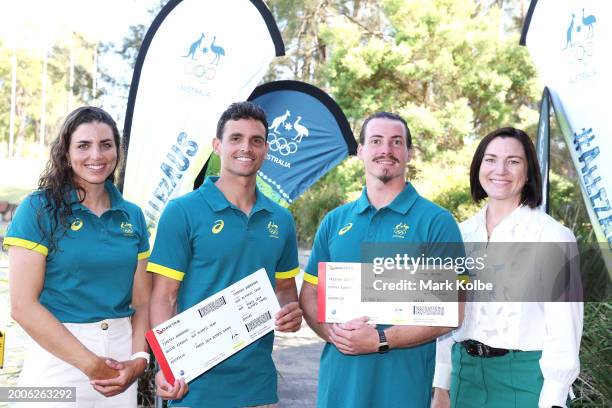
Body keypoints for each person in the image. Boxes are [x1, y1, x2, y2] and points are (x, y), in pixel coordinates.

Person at [299, 112, 464, 408]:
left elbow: (451, 312)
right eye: (376, 141)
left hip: (401, 391)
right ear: (361, 151)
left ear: (409, 154)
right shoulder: (335, 221)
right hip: (338, 390)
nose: (385, 150)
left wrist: (379, 340)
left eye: (396, 142)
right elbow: (310, 294)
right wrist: (335, 335)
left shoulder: (437, 222)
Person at [148, 101, 303, 407]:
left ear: (266, 149)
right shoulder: (182, 211)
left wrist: (291, 314)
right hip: (194, 387)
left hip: (257, 386)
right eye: (236, 138)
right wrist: (165, 367)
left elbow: (285, 291)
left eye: (256, 140)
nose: (246, 147)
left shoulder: (281, 219)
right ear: (217, 146)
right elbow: (163, 297)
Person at [4, 106, 151, 407]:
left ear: (117, 151)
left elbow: (142, 301)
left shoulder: (133, 215)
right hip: (57, 358)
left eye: (106, 145)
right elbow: (22, 306)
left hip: (122, 361)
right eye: (83, 145)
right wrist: (90, 364)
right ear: (66, 152)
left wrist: (139, 360)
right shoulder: (37, 208)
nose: (96, 156)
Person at [431, 127, 583, 408]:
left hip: (526, 382)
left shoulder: (552, 236)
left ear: (528, 173)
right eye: (490, 159)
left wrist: (553, 399)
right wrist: (441, 384)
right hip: (464, 378)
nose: (500, 170)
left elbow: (564, 329)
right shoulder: (460, 235)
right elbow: (447, 314)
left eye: (513, 161)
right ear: (479, 167)